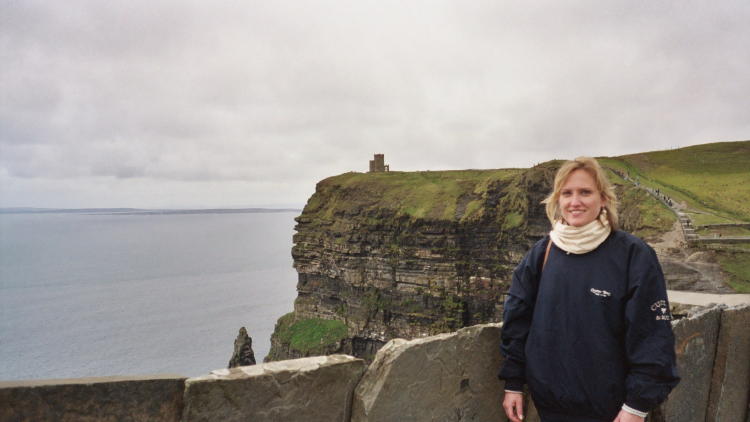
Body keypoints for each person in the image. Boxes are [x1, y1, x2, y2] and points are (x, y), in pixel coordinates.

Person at [498, 157, 680, 422]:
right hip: (548, 406)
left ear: (603, 198)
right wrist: (513, 382)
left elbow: (652, 335)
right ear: (557, 200)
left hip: (612, 410)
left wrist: (636, 406)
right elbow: (517, 318)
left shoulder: (633, 255)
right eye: (567, 193)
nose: (575, 202)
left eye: (585, 192)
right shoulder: (542, 253)